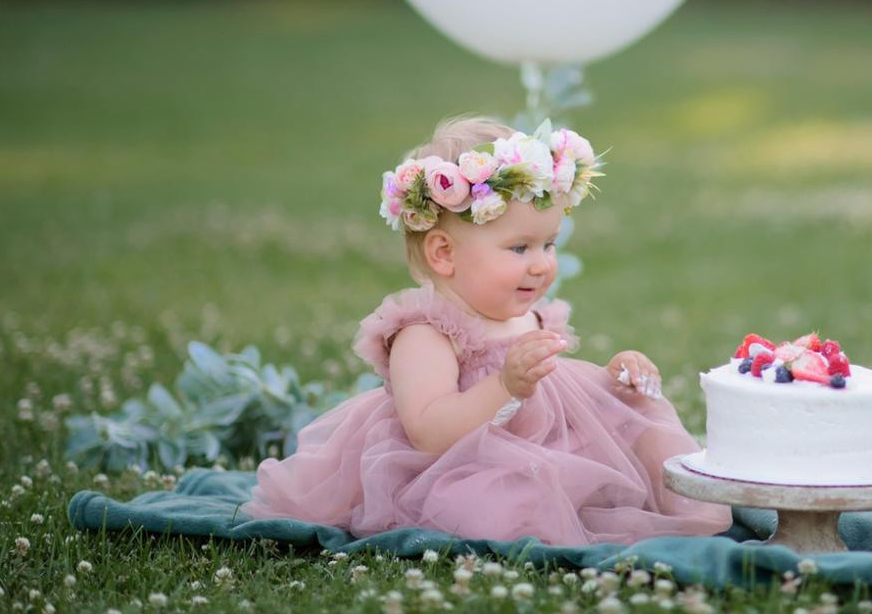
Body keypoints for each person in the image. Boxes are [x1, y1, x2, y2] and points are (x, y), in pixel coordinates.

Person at [238, 115, 731, 544]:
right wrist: (504, 385)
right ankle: (559, 509)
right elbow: (429, 433)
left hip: (544, 447)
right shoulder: (427, 333)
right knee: (507, 502)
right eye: (520, 248)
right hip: (459, 467)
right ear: (443, 253)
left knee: (636, 419)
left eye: (549, 245)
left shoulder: (531, 314)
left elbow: (563, 394)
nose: (541, 265)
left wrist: (613, 378)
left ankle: (686, 505)